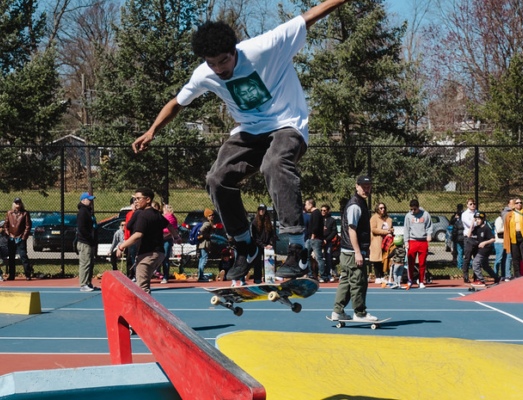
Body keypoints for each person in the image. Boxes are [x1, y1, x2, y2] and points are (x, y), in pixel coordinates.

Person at [130, 0, 356, 283]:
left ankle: (296, 246)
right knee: (216, 178)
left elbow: (310, 16)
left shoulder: (265, 47)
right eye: (212, 64)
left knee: (273, 164)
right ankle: (244, 245)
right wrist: (152, 130)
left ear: (234, 51)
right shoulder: (204, 74)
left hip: (287, 126)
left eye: (224, 61)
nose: (220, 70)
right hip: (248, 132)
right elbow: (178, 102)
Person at [115, 188, 181, 294]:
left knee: (142, 289)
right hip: (159, 254)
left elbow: (138, 235)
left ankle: (144, 310)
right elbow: (168, 224)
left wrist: (121, 246)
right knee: (143, 285)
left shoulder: (143, 215)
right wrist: (176, 237)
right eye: (134, 199)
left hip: (148, 254)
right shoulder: (157, 214)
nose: (136, 201)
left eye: (138, 198)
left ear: (148, 199)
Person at [331, 175, 378, 322]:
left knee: (345, 281)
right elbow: (352, 230)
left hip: (348, 252)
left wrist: (365, 248)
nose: (366, 189)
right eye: (364, 187)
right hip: (352, 252)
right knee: (358, 282)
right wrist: (358, 252)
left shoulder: (359, 203)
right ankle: (360, 313)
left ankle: (337, 312)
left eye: (369, 186)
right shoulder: (356, 205)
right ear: (356, 186)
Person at [503, 197, 523, 277]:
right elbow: (507, 229)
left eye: (520, 203)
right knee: (515, 259)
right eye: (517, 203)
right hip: (514, 237)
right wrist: (506, 243)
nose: (519, 204)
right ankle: (517, 277)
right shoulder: (509, 215)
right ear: (514, 205)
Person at [404, 199, 433, 288]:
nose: (413, 211)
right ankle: (410, 280)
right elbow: (406, 229)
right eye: (411, 209)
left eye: (415, 209)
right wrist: (406, 242)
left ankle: (421, 281)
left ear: (418, 207)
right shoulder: (408, 216)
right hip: (412, 241)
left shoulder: (425, 214)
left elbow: (429, 226)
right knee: (410, 262)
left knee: (422, 262)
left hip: (423, 241)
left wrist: (429, 235)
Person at [4, 197, 32, 280]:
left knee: (23, 256)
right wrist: (8, 234)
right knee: (11, 257)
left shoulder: (25, 213)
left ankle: (28, 274)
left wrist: (23, 237)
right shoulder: (9, 213)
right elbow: (5, 225)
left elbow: (28, 226)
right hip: (11, 238)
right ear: (13, 204)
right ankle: (11, 275)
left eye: (19, 203)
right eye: (16, 203)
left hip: (20, 238)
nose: (18, 204)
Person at [76, 192, 98, 292]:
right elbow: (82, 228)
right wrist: (89, 237)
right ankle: (83, 284)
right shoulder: (82, 212)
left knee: (90, 263)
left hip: (90, 242)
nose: (91, 201)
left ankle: (88, 283)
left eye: (91, 199)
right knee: (85, 263)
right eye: (89, 199)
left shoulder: (88, 211)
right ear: (83, 200)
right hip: (85, 242)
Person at [469, 212, 498, 286]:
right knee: (485, 265)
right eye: (476, 219)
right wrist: (472, 223)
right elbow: (469, 235)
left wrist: (484, 243)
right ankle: (496, 278)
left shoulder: (486, 228)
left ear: (483, 219)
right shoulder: (477, 228)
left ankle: (481, 280)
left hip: (486, 248)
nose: (477, 221)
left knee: (475, 263)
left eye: (479, 219)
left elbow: (493, 239)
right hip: (482, 249)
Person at [250, 204, 277, 283]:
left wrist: (270, 243)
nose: (261, 211)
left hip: (268, 245)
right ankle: (257, 279)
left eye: (263, 209)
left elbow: (271, 234)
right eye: (260, 209)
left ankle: (268, 278)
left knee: (268, 262)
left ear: (265, 211)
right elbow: (255, 238)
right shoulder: (255, 222)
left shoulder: (268, 221)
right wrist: (263, 245)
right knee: (257, 262)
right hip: (258, 245)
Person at [369, 202, 393, 284]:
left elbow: (391, 228)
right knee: (377, 259)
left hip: (386, 242)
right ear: (377, 209)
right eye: (381, 208)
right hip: (376, 241)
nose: (383, 209)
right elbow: (374, 229)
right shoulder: (374, 218)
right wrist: (385, 232)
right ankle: (377, 276)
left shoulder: (388, 219)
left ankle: (382, 276)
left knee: (384, 258)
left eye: (384, 208)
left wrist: (391, 231)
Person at [305, 199, 324, 282]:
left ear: (311, 205)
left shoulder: (316, 213)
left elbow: (315, 226)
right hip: (311, 239)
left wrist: (313, 236)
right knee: (307, 256)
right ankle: (310, 274)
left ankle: (323, 275)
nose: (305, 206)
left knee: (318, 257)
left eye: (306, 204)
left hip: (315, 239)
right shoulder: (313, 214)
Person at [460, 198, 479, 283]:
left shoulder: (477, 212)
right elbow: (471, 224)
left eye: (474, 203)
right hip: (468, 238)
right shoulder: (464, 214)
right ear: (467, 205)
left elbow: (482, 222)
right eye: (471, 204)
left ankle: (476, 276)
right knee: (467, 258)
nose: (473, 205)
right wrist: (475, 222)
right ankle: (466, 277)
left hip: (477, 237)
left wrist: (477, 222)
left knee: (477, 259)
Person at [197, 209, 216, 282]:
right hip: (204, 244)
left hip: (202, 244)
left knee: (202, 259)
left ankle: (200, 275)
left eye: (213, 215)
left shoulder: (206, 223)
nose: (212, 216)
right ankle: (201, 276)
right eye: (210, 215)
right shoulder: (207, 223)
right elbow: (201, 231)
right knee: (204, 260)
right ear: (207, 216)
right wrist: (208, 235)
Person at [161, 204, 178, 284]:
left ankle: (165, 276)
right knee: (165, 258)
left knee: (164, 258)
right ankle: (164, 276)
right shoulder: (173, 217)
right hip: (166, 239)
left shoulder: (167, 217)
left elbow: (168, 228)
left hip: (165, 239)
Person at [320, 204, 338, 282]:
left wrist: (326, 240)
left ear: (328, 211)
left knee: (328, 258)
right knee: (318, 258)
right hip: (319, 241)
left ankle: (328, 274)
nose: (323, 212)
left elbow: (334, 231)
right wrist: (321, 239)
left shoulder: (332, 220)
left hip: (328, 242)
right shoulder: (319, 219)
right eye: (321, 210)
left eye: (324, 210)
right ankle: (321, 275)